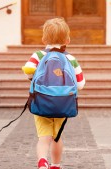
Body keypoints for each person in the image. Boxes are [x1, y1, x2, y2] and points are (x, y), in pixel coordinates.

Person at [22, 18, 85, 169]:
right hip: (63, 103)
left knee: (43, 137)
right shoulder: (71, 59)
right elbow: (80, 85)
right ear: (67, 40)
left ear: (44, 38)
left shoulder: (38, 55)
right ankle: (55, 165)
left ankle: (42, 161)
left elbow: (28, 71)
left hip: (41, 101)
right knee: (57, 137)